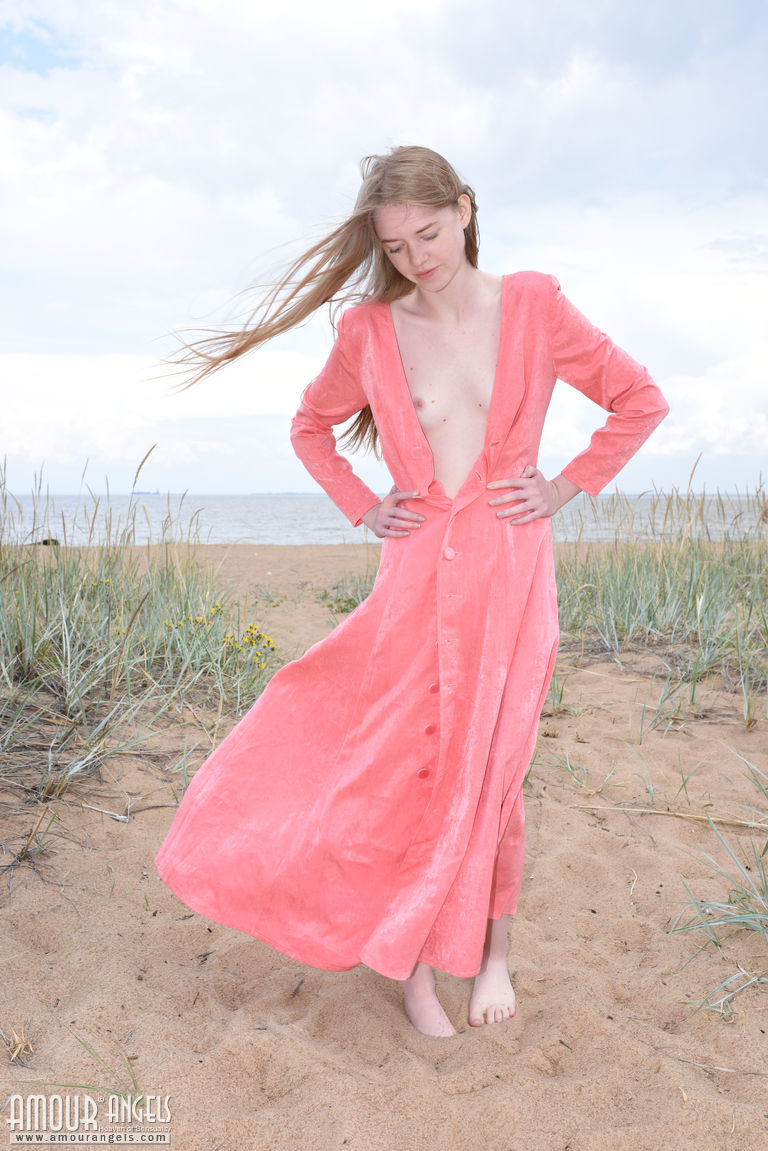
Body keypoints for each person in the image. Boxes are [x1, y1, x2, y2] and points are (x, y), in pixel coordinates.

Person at [155, 145, 668, 1037]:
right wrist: (364, 504)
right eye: (395, 246)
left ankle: (493, 954)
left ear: (465, 208)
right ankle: (415, 966)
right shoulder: (369, 331)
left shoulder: (536, 304)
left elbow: (640, 399)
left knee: (494, 771)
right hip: (418, 573)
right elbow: (310, 426)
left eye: (428, 233)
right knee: (401, 764)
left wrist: (563, 486)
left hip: (511, 574)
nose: (415, 257)